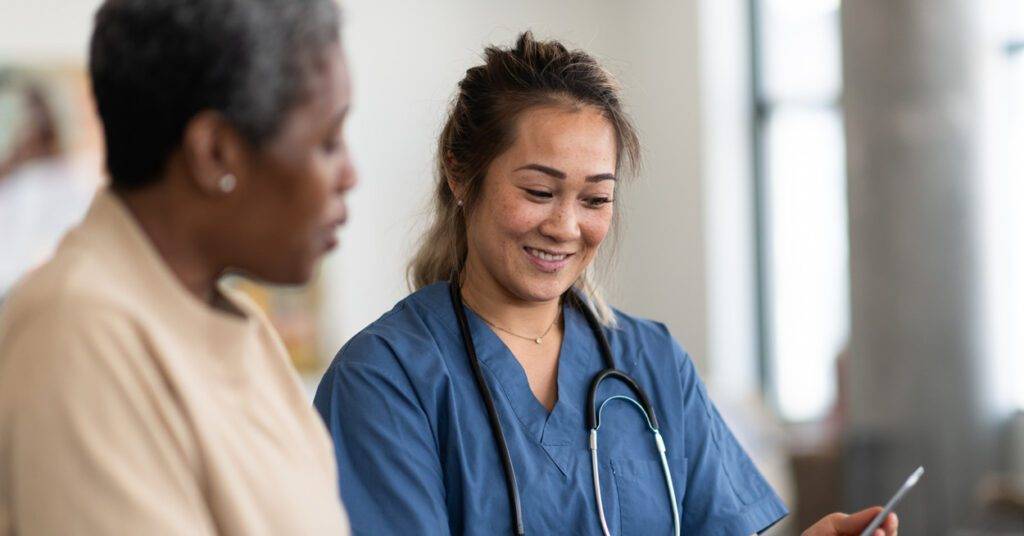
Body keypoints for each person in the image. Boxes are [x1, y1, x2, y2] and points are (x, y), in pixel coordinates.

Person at [315, 32, 897, 536]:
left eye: (595, 199)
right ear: (460, 172)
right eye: (539, 192)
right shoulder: (383, 380)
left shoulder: (654, 364)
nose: (566, 227)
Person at [0, 0, 355, 533]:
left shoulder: (243, 328)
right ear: (215, 154)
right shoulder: (78, 333)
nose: (349, 174)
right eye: (327, 142)